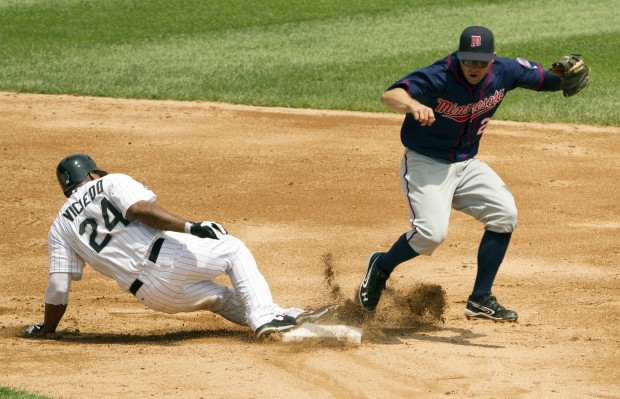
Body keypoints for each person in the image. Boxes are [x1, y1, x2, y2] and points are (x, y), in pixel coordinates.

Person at [358, 26, 589, 321]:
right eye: (468, 61)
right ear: (459, 55)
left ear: (492, 58)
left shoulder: (506, 70)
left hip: (466, 163)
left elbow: (546, 80)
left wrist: (564, 79)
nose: (474, 68)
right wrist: (414, 105)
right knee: (430, 234)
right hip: (426, 163)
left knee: (504, 214)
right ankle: (381, 266)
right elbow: (390, 95)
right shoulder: (439, 75)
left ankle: (480, 299)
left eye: (481, 62)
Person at [24, 154, 336, 338]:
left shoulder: (59, 227)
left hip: (155, 296)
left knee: (220, 297)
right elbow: (139, 210)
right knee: (233, 250)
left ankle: (291, 321)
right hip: (169, 259)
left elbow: (58, 285)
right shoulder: (109, 182)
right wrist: (192, 227)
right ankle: (265, 317)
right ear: (91, 173)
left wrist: (48, 329)